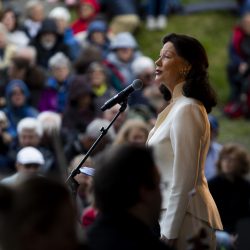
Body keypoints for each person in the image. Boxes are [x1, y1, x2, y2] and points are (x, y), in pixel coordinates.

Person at [146, 33, 223, 250]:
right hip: (169, 214)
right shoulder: (174, 108)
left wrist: (170, 231)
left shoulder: (188, 107)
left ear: (186, 66)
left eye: (167, 57)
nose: (157, 62)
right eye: (159, 56)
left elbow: (185, 176)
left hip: (186, 218)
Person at [87, 144, 171, 250]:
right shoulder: (149, 245)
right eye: (159, 185)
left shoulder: (84, 242)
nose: (161, 194)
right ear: (144, 191)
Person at [208, 143, 250, 249]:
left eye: (232, 159)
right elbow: (209, 217)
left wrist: (240, 234)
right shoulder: (212, 185)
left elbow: (246, 215)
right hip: (218, 232)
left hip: (240, 232)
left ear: (240, 163)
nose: (227, 162)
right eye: (224, 159)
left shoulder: (246, 186)